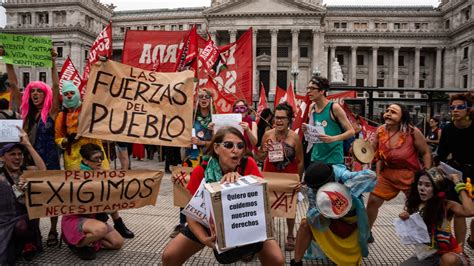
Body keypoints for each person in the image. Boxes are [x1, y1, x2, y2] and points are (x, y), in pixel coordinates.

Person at [162, 127, 284, 266]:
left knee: (277, 260)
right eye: (228, 145)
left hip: (243, 223)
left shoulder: (248, 164)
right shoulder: (200, 172)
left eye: (240, 146)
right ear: (216, 148)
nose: (235, 150)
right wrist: (204, 239)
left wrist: (240, 183)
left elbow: (263, 201)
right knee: (169, 256)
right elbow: (192, 215)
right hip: (207, 224)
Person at [55, 81, 134, 239]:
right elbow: (57, 137)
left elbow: (103, 111)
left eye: (72, 93)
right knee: (80, 192)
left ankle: (118, 223)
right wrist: (66, 141)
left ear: (78, 94)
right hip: (74, 160)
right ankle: (86, 223)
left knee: (106, 190)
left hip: (96, 155)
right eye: (66, 94)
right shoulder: (61, 116)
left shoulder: (90, 109)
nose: (69, 96)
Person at [3, 46, 62, 247]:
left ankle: (54, 230)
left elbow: (56, 86)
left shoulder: (52, 113)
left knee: (52, 198)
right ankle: (34, 232)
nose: (36, 93)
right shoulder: (24, 115)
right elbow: (13, 84)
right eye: (33, 91)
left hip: (51, 160)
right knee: (32, 199)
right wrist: (7, 57)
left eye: (40, 91)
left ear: (45, 95)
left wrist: (53, 62)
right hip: (28, 163)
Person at [366, 103, 431, 243]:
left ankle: (423, 239)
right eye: (387, 111)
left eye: (393, 112)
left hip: (410, 175)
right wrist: (359, 151)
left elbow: (426, 152)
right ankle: (366, 233)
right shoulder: (380, 130)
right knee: (372, 201)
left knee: (416, 208)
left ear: (402, 117)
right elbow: (371, 151)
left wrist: (427, 174)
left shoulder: (412, 131)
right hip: (388, 173)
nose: (388, 113)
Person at [290, 161, 376, 266]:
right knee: (305, 224)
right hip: (329, 221)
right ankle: (296, 262)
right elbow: (312, 214)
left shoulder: (342, 174)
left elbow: (371, 175)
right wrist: (322, 213)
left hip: (350, 223)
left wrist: (344, 189)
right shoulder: (312, 189)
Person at [61, 143, 124, 260]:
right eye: (96, 159)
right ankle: (77, 244)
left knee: (117, 243)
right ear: (85, 161)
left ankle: (91, 239)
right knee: (101, 229)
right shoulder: (76, 176)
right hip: (75, 219)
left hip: (93, 218)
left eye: (101, 158)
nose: (100, 161)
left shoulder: (102, 175)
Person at [399, 167, 472, 265]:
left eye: (427, 185)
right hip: (428, 254)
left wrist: (458, 183)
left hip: (450, 253)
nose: (422, 188)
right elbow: (415, 234)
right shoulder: (415, 204)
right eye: (420, 184)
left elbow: (470, 211)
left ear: (436, 188)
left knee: (448, 260)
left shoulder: (447, 205)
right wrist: (406, 218)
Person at [258, 102, 303, 251]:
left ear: (289, 119)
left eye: (282, 118)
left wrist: (298, 180)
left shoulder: (295, 137)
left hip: (289, 177)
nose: (278, 121)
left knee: (290, 207)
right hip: (270, 175)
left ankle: (290, 235)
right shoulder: (267, 134)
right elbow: (259, 157)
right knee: (269, 207)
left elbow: (301, 161)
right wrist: (263, 150)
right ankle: (270, 236)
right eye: (276, 117)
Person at [171, 89, 215, 238]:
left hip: (209, 161)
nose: (204, 99)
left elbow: (220, 142)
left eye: (207, 96)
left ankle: (207, 224)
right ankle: (183, 223)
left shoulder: (216, 119)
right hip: (191, 159)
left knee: (208, 192)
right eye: (201, 96)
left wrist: (203, 141)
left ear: (211, 100)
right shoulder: (191, 118)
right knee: (186, 191)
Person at [0, 127, 46, 264]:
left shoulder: (27, 173)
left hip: (23, 220)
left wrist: (28, 144)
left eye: (20, 154)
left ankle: (27, 243)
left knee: (21, 226)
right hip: (3, 221)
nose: (17, 157)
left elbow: (43, 170)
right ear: (2, 157)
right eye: (12, 154)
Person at [437, 92, 474, 248]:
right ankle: (459, 250)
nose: (455, 110)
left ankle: (472, 236)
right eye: (452, 107)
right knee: (459, 213)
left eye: (460, 107)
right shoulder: (447, 129)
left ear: (469, 109)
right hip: (457, 173)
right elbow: (441, 155)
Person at [302, 75, 355, 165]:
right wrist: (307, 130)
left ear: (322, 91)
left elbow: (351, 132)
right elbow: (315, 131)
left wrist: (333, 139)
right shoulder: (312, 107)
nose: (308, 91)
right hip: (316, 157)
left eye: (312, 88)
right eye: (308, 88)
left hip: (333, 159)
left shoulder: (334, 107)